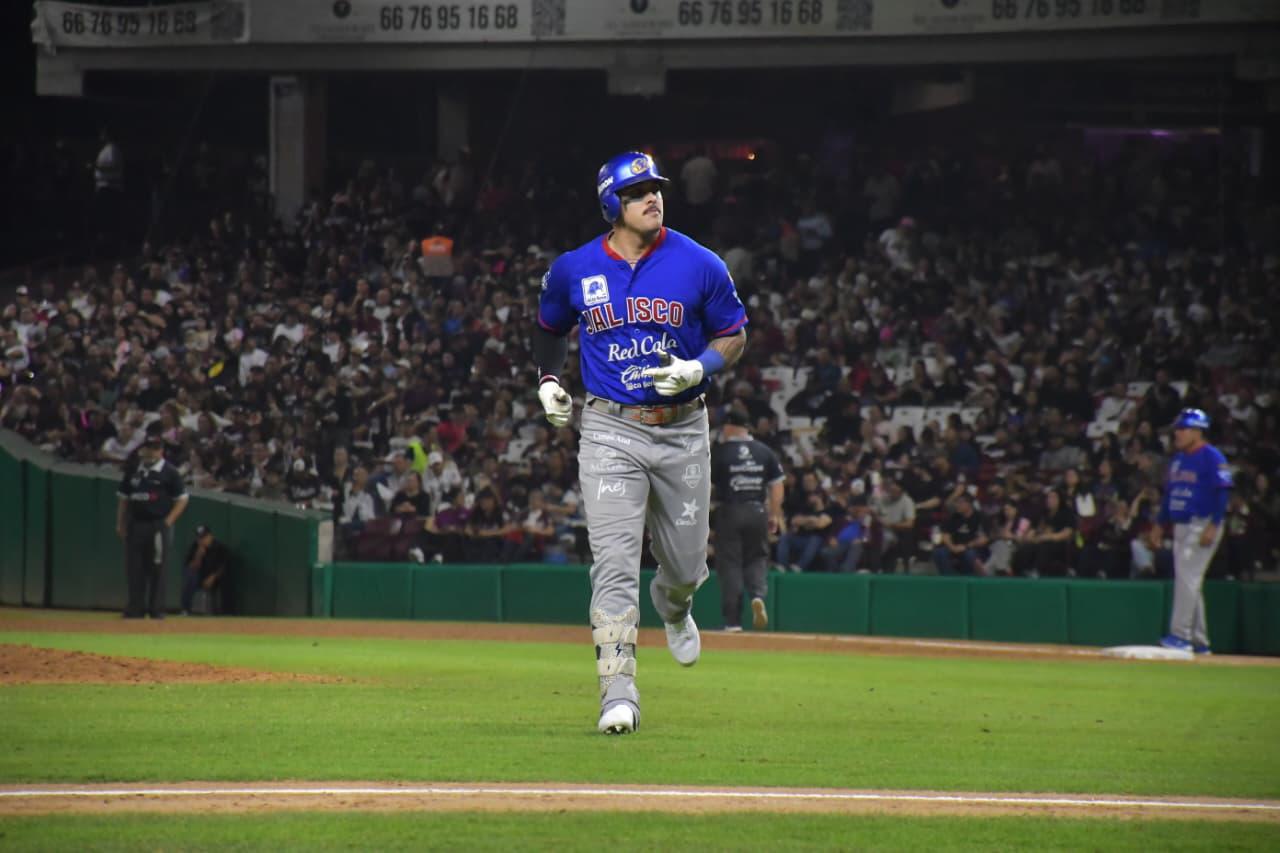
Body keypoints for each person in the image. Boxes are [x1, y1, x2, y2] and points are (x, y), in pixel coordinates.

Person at [533, 150, 748, 735]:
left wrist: (698, 368)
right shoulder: (575, 268)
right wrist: (550, 381)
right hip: (609, 428)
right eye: (638, 192)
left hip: (681, 429)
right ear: (612, 204)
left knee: (682, 565)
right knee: (613, 564)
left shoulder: (699, 263)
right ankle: (617, 692)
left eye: (656, 188)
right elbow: (549, 329)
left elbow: (734, 334)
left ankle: (675, 605)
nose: (653, 197)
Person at [1159, 409, 1232, 654]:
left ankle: (1180, 635)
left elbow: (1223, 491)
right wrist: (1160, 524)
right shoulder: (1178, 459)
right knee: (1190, 581)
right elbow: (1170, 493)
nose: (1177, 433)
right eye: (1177, 429)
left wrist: (1215, 524)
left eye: (1183, 429)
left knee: (1188, 578)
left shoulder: (1212, 456)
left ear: (1198, 431)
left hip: (1202, 523)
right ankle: (1200, 641)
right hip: (1181, 524)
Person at [710, 409, 784, 632]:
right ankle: (758, 595)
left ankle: (733, 621)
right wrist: (775, 514)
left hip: (730, 511)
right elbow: (777, 484)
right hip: (757, 511)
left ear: (730, 426)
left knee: (730, 564)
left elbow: (706, 487)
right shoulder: (765, 451)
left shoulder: (720, 452)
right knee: (757, 558)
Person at [115, 435, 189, 619]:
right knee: (134, 567)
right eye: (148, 447)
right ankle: (135, 608)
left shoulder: (170, 472)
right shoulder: (133, 470)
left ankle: (156, 609)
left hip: (158, 524)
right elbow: (123, 499)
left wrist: (168, 522)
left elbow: (182, 499)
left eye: (155, 448)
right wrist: (120, 523)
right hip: (136, 523)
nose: (150, 451)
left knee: (157, 567)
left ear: (161, 450)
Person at [180, 524, 230, 615]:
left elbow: (224, 566)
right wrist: (198, 555)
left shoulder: (220, 547)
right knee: (190, 577)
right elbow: (189, 567)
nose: (202, 540)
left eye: (204, 537)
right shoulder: (194, 547)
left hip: (215, 577)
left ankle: (225, 612)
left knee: (226, 578)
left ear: (210, 536)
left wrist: (213, 577)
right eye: (199, 538)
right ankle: (185, 610)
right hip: (200, 577)